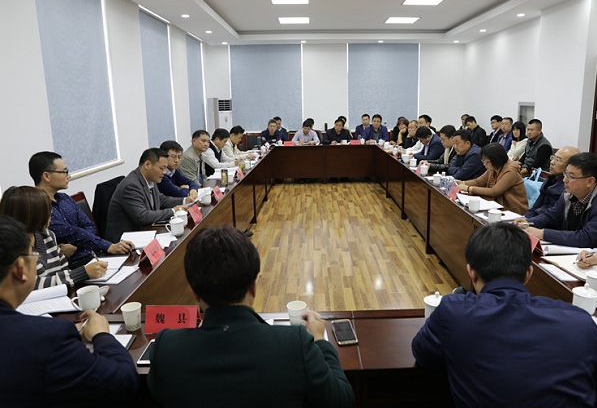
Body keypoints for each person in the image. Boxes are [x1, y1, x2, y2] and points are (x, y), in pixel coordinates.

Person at [411, 223, 597, 408]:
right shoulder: (579, 322)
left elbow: (424, 355)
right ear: (528, 274)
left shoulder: (453, 312)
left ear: (471, 272)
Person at [147, 226, 354, 407]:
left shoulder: (166, 348)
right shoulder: (294, 344)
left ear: (195, 293)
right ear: (253, 287)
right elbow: (342, 400)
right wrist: (320, 341)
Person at [0, 215, 139, 405]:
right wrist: (102, 336)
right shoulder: (47, 337)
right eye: (34, 257)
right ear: (19, 269)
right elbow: (123, 381)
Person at [29, 151, 133, 266]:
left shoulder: (65, 198)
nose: (69, 176)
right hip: (69, 266)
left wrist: (75, 246)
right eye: (64, 172)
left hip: (93, 255)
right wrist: (109, 246)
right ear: (46, 176)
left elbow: (89, 225)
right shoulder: (37, 208)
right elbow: (71, 233)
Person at [0, 186, 107, 289]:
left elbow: (64, 268)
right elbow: (32, 285)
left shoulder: (47, 235)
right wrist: (82, 273)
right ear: (31, 215)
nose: (51, 212)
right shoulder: (12, 247)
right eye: (46, 209)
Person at [521, 153, 597, 248]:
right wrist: (528, 222)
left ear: (590, 181)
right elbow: (551, 216)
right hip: (573, 251)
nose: (564, 180)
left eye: (571, 177)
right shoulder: (568, 193)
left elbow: (585, 238)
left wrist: (542, 233)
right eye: (565, 174)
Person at [105, 148, 187, 243]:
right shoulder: (131, 185)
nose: (164, 172)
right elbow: (142, 217)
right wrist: (173, 211)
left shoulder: (150, 178)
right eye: (162, 168)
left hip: (146, 231)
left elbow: (161, 199)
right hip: (125, 241)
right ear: (147, 165)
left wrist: (185, 201)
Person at [457, 143, 528, 214]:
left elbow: (494, 192)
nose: (484, 164)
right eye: (483, 161)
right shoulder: (494, 167)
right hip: (497, 205)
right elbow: (479, 182)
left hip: (513, 210)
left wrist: (468, 188)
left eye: (487, 162)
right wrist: (463, 183)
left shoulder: (511, 172)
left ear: (496, 159)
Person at [525, 146, 580, 218]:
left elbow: (552, 216)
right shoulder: (551, 179)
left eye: (558, 160)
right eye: (553, 157)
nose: (552, 162)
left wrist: (530, 221)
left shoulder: (568, 187)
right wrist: (525, 218)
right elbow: (535, 207)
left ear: (570, 166)